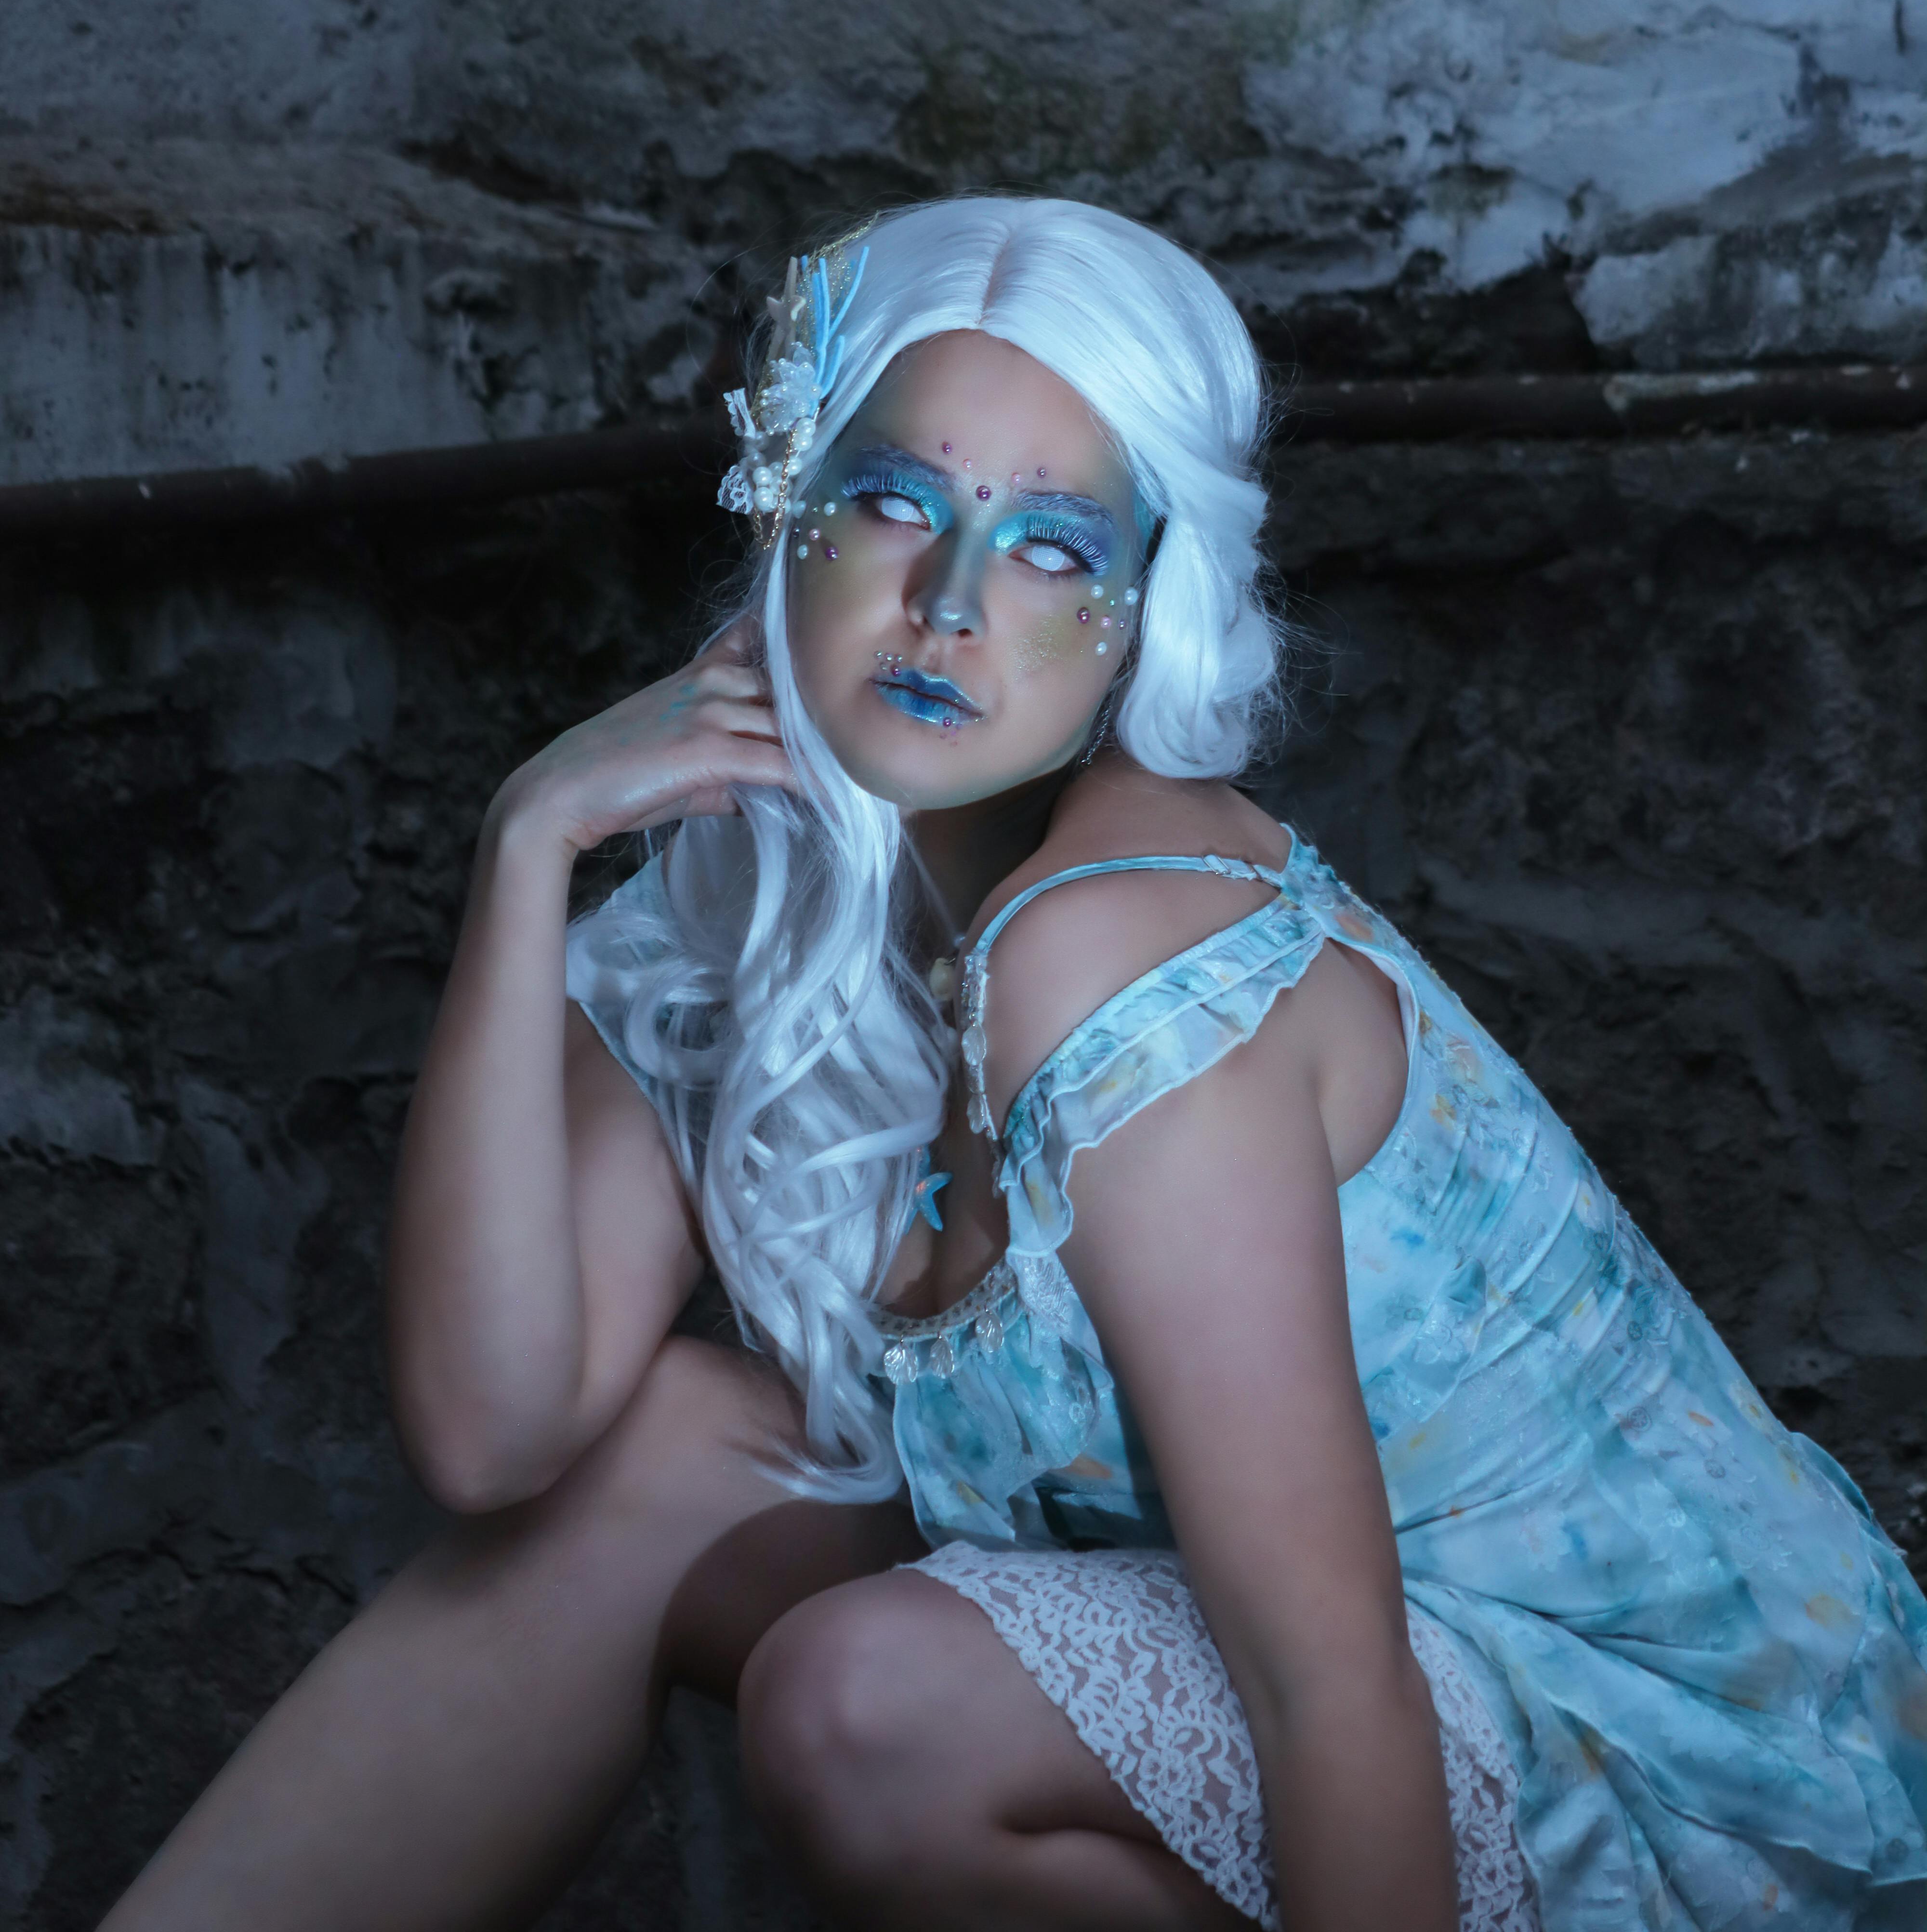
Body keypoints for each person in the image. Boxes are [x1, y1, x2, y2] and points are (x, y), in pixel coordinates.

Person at [105, 198, 1927, 1932]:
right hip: (1290, 1668)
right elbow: (495, 1435)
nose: (951, 601)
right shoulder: (756, 886)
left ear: (1145, 608)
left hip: (1649, 1758)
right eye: (896, 503)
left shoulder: (1124, 950)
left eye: (1053, 545)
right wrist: (526, 847)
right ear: (790, 516)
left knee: (868, 1704)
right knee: (650, 1463)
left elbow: (1325, 1672)